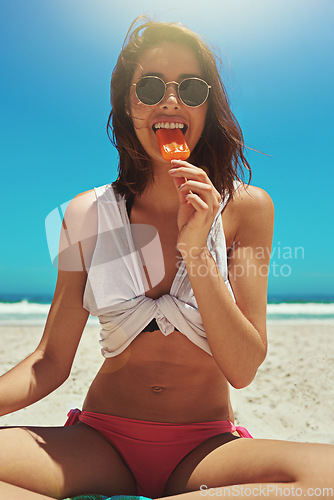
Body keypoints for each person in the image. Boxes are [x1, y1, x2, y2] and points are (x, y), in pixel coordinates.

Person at [0, 16, 334, 500]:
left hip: (206, 447)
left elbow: (243, 367)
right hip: (99, 442)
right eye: (151, 85)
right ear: (128, 104)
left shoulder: (248, 210)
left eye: (191, 88)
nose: (170, 100)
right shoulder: (85, 214)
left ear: (207, 107)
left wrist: (197, 251)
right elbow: (49, 361)